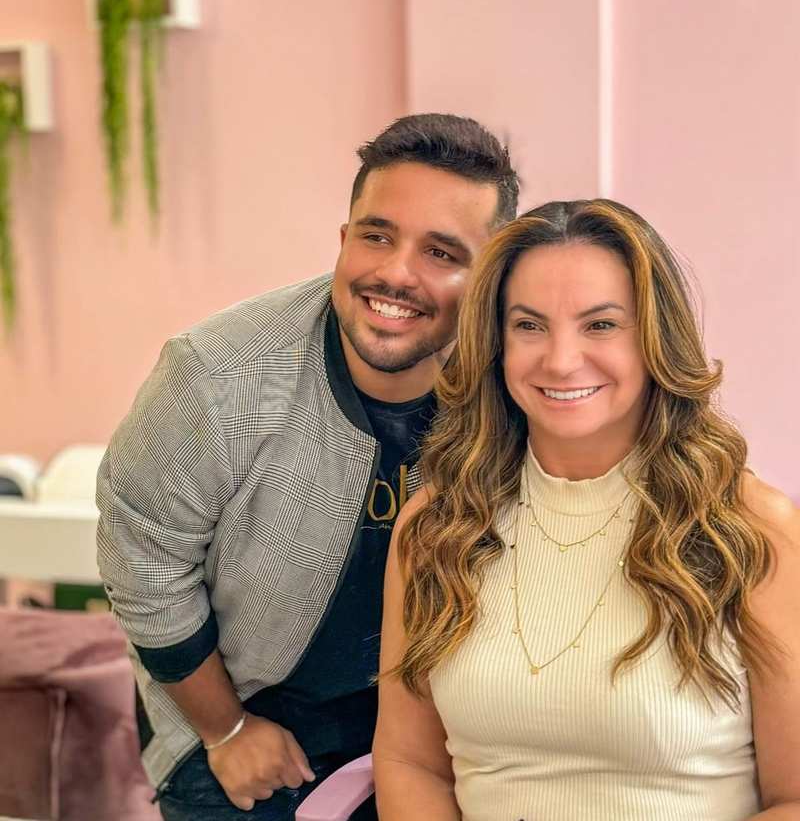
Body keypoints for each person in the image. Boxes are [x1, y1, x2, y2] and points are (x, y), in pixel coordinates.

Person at [95, 113, 519, 821]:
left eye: (441, 252)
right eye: (377, 236)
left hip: (438, 735)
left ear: (489, 276)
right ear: (344, 239)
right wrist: (226, 730)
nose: (396, 273)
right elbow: (144, 564)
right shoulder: (219, 376)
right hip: (243, 724)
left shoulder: (515, 381)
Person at [374, 199, 800, 821]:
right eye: (529, 325)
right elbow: (410, 762)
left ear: (654, 338)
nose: (561, 360)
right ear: (496, 343)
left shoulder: (753, 529)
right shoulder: (438, 526)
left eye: (600, 325)